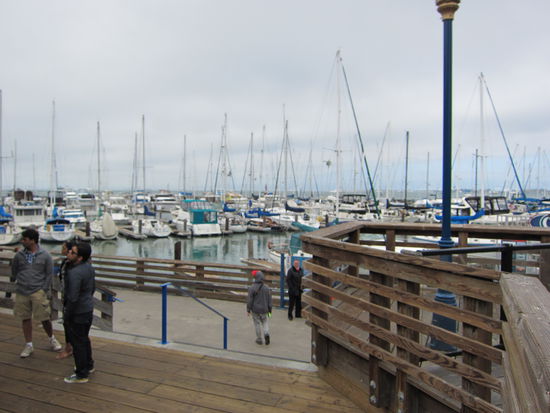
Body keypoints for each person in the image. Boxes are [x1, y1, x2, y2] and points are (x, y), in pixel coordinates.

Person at [11, 228, 62, 358]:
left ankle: (52, 338)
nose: (22, 241)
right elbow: (14, 270)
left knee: (44, 317)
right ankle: (28, 344)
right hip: (22, 291)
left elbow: (49, 274)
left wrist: (43, 289)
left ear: (32, 240)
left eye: (25, 239)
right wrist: (19, 281)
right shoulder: (19, 255)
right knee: (25, 318)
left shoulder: (45, 255)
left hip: (38, 291)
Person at [63, 242, 96, 384]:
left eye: (73, 252)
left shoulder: (74, 273)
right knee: (84, 338)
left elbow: (73, 297)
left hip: (78, 312)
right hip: (88, 308)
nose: (69, 253)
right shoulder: (89, 268)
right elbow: (92, 288)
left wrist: (67, 314)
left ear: (80, 257)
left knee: (78, 343)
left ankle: (81, 373)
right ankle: (88, 365)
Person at [55, 240, 75, 360]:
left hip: (73, 300)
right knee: (66, 323)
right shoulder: (65, 262)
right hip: (65, 298)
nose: (61, 249)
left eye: (63, 247)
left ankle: (70, 348)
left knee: (72, 324)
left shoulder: (75, 264)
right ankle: (69, 347)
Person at [246, 270, 272, 345]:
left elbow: (250, 300)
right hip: (264, 309)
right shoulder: (267, 288)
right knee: (265, 322)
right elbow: (269, 300)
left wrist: (248, 309)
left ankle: (259, 339)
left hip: (255, 309)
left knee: (257, 323)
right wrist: (270, 310)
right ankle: (266, 333)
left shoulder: (252, 288)